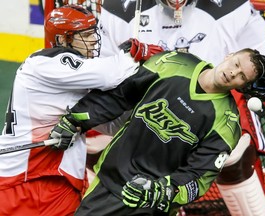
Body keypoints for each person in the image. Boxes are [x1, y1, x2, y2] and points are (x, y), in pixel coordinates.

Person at [90, 0, 265, 215]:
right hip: (143, 100)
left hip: (210, 102)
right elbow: (103, 74)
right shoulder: (118, 7)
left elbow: (263, 68)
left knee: (235, 157)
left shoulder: (233, 6)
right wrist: (124, 62)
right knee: (91, 136)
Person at [49, 48, 265, 215]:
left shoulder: (227, 126)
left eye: (242, 76)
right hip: (109, 182)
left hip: (151, 205)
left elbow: (199, 177)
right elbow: (120, 95)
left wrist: (164, 190)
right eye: (236, 65)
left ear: (242, 87)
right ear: (228, 56)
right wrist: (75, 121)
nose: (233, 73)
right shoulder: (173, 63)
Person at [0, 5, 162, 215]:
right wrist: (132, 52)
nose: (94, 39)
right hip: (23, 178)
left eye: (94, 32)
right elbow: (111, 74)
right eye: (85, 34)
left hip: (63, 183)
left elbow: (110, 124)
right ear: (62, 40)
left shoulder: (78, 79)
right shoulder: (43, 62)